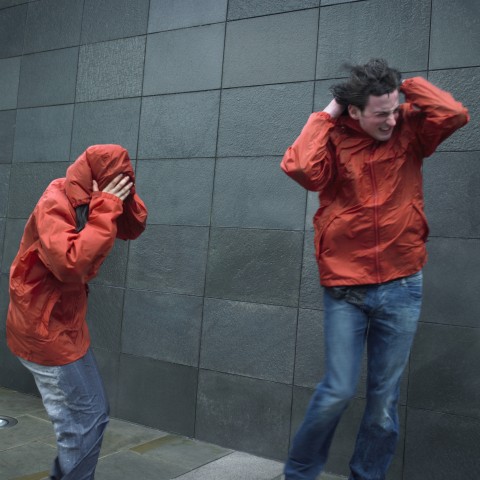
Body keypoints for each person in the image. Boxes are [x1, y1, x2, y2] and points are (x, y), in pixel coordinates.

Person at [280, 59, 469, 480]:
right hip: (346, 287)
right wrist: (325, 114)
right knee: (337, 391)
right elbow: (299, 168)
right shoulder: (333, 139)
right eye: (380, 112)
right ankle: (298, 474)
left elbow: (455, 114)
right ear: (354, 112)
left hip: (402, 284)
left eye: (394, 108)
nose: (390, 119)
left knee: (384, 402)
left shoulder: (410, 128)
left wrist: (405, 87)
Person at [6, 144, 148, 479]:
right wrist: (107, 204)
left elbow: (133, 227)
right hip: (42, 330)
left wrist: (118, 200)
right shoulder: (53, 202)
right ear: (96, 180)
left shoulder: (90, 197)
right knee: (85, 420)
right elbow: (72, 264)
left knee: (91, 415)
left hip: (64, 324)